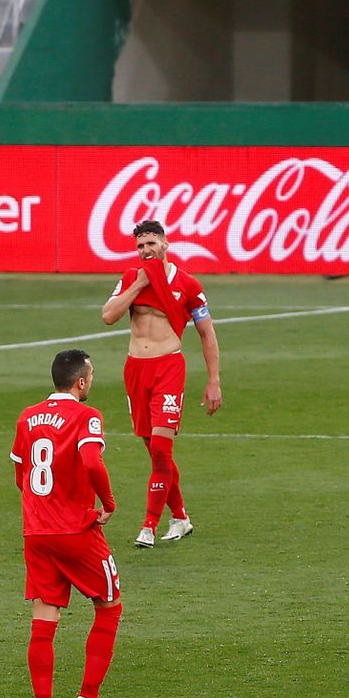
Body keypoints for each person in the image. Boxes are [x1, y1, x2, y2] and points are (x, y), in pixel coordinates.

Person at [11, 349, 124, 698]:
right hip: (76, 531)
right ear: (80, 381)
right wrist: (106, 505)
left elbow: (20, 472)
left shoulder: (27, 417)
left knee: (44, 619)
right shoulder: (86, 416)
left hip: (36, 531)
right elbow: (92, 462)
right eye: (90, 376)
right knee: (109, 606)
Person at [101, 220, 223, 549]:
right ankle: (180, 517)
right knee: (154, 450)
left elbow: (206, 333)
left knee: (160, 449)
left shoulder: (188, 284)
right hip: (135, 371)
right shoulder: (131, 278)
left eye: (151, 244)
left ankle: (149, 526)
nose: (146, 250)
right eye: (141, 246)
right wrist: (138, 285)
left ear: (165, 243)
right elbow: (109, 315)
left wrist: (214, 380)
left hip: (168, 367)